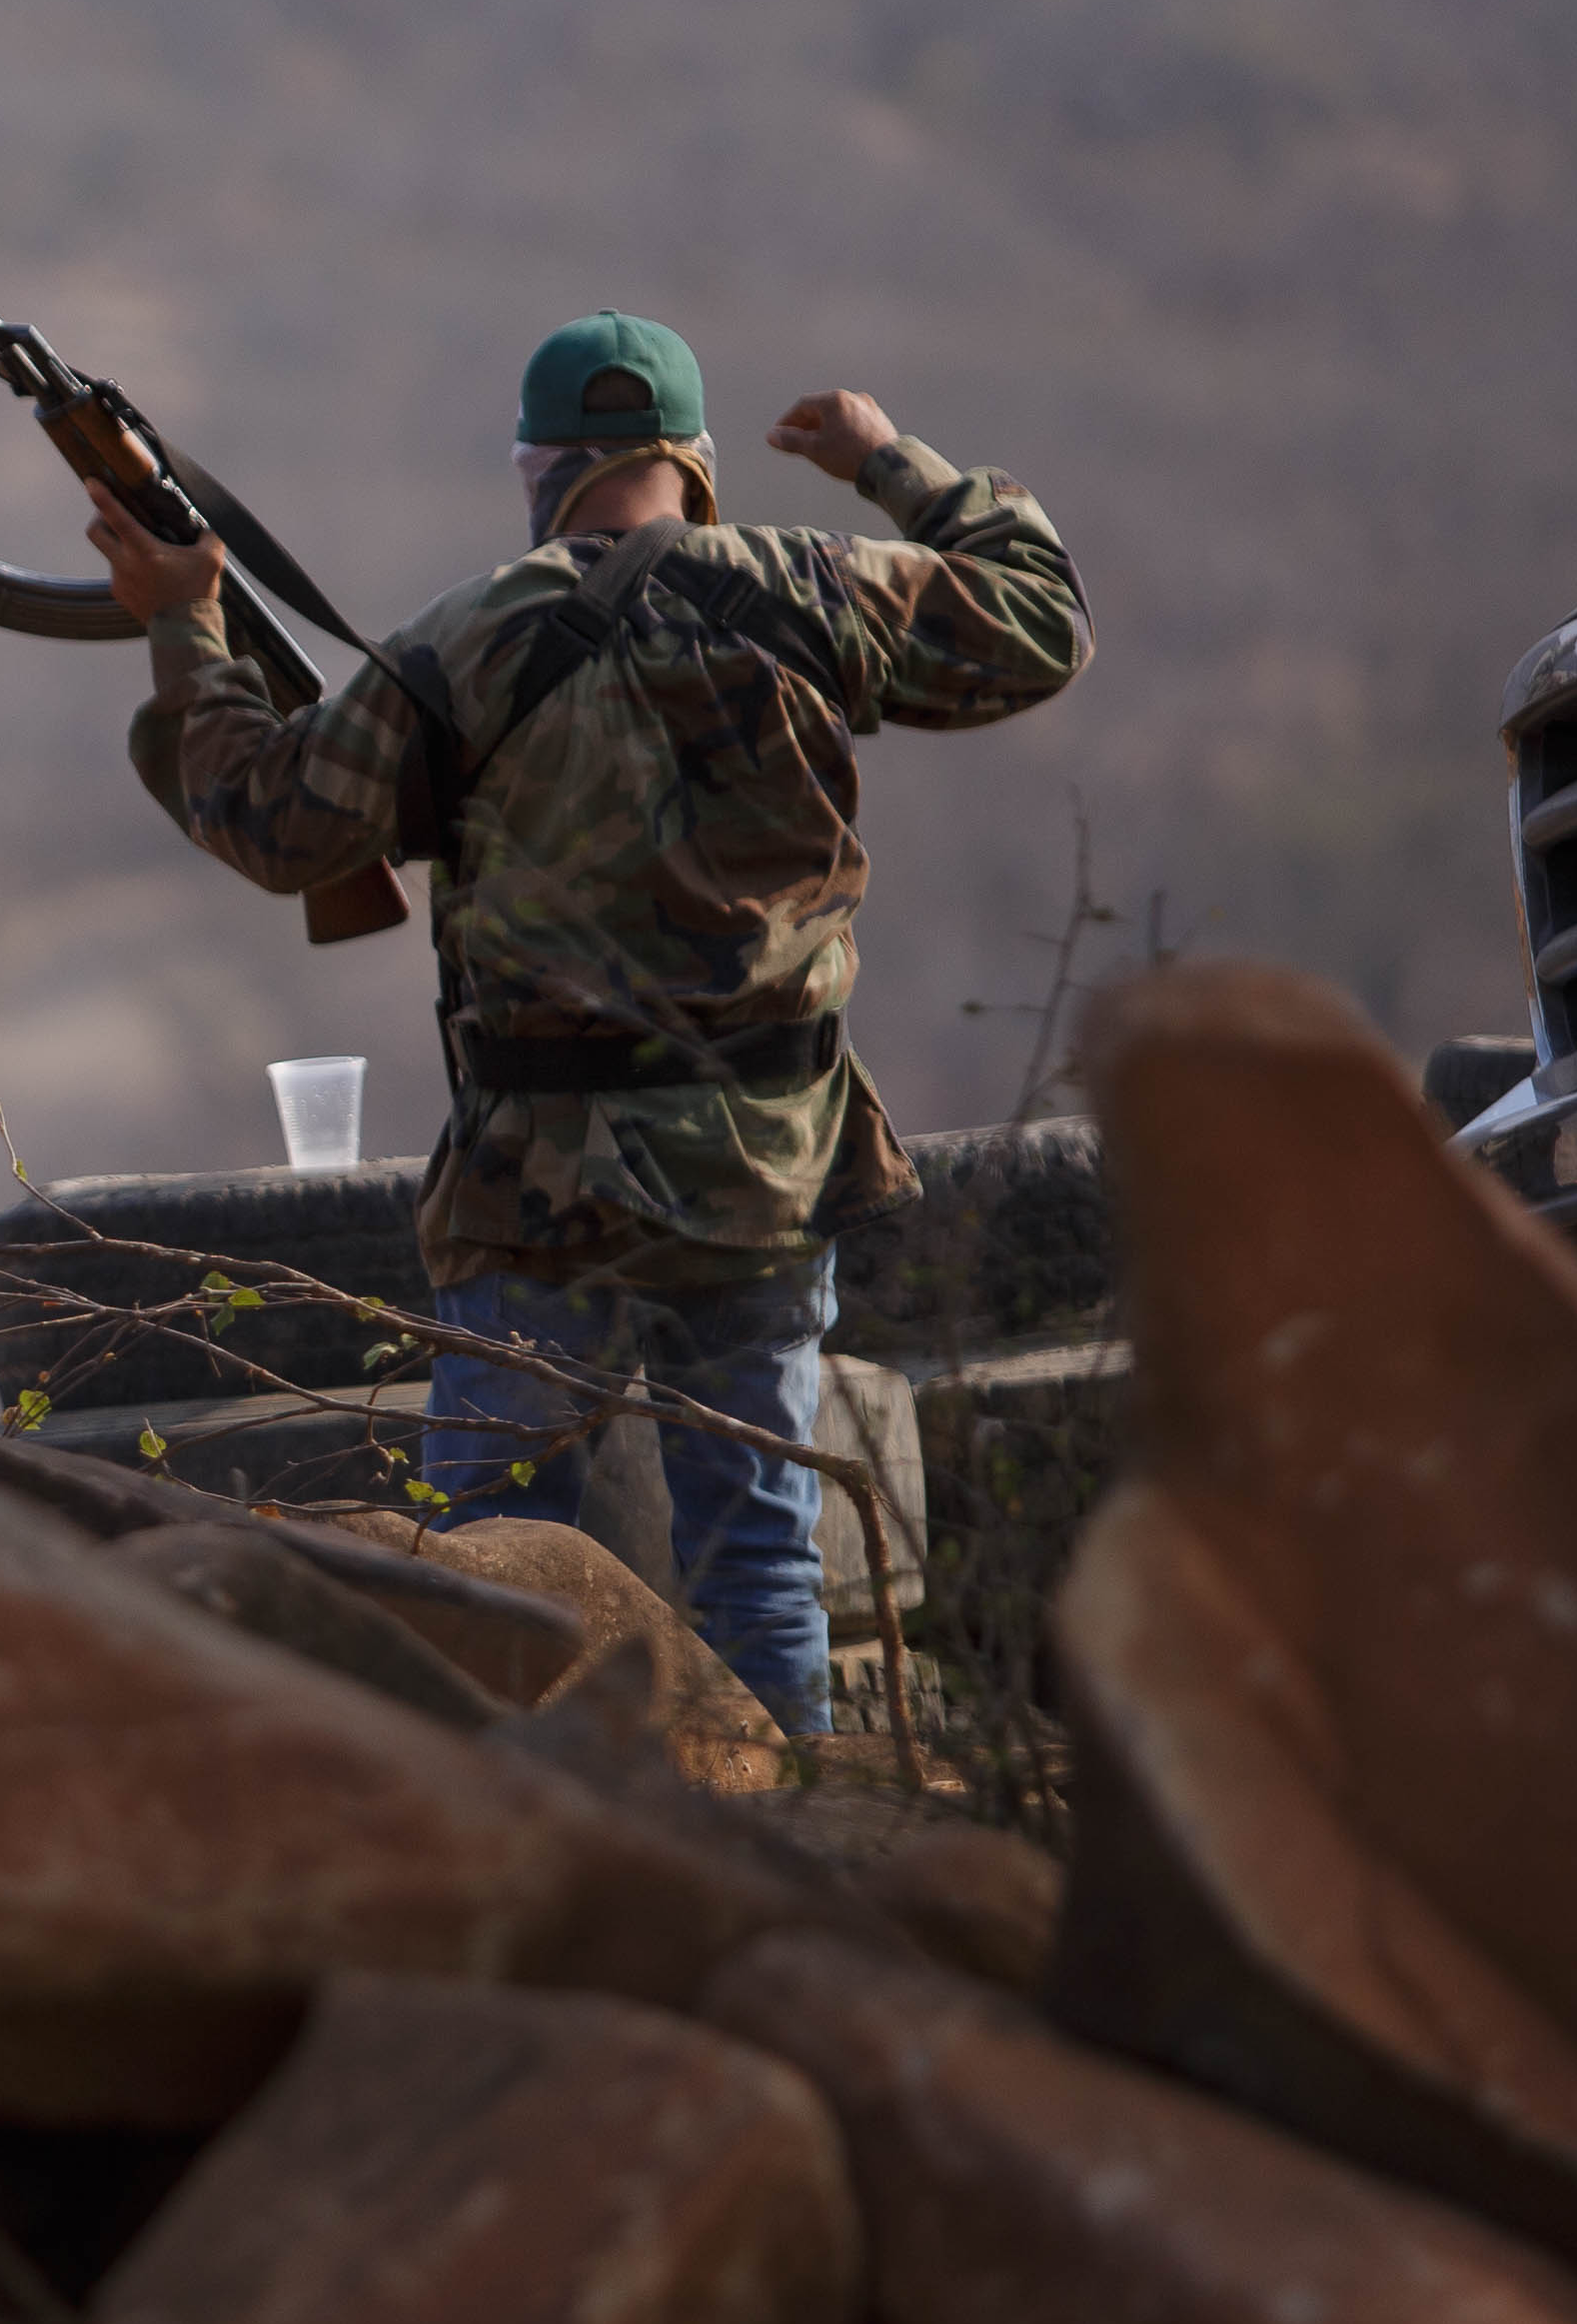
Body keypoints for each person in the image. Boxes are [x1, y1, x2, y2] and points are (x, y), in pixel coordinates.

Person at [76, 310, 1087, 1732]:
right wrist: (885, 462)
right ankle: (792, 1868)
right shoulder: (816, 590)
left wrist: (185, 621)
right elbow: (1042, 620)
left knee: (487, 1565)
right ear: (697, 464)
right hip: (766, 1171)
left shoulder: (468, 640)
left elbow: (270, 812)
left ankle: (510, 1858)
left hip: (538, 1192)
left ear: (536, 468)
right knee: (761, 1566)